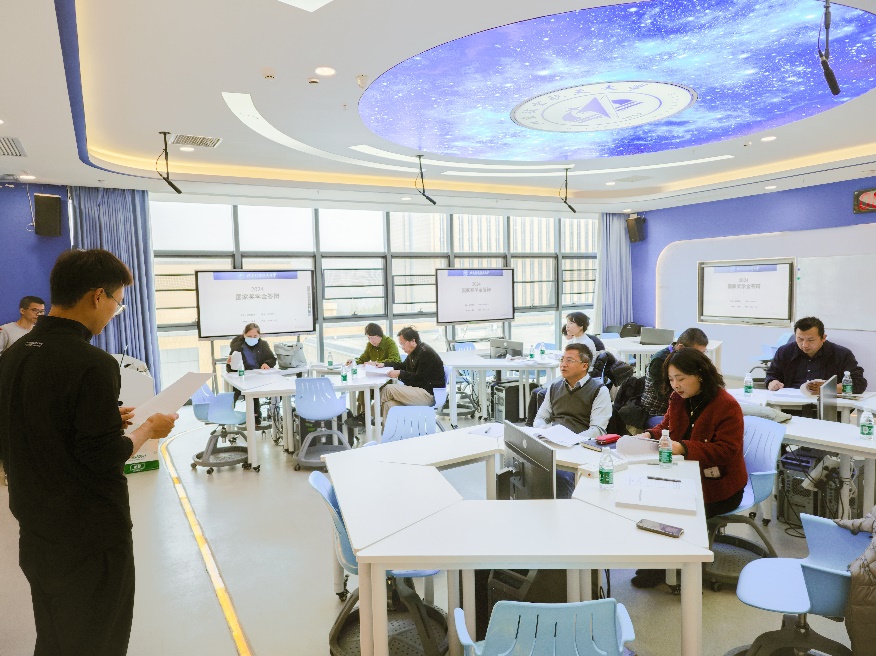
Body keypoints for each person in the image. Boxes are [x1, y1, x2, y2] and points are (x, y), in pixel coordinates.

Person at [0, 248, 178, 655]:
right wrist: (148, 428)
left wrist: (104, 419)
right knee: (98, 640)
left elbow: (35, 425)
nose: (115, 312)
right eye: (117, 302)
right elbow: (102, 456)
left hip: (37, 529)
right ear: (98, 296)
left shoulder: (14, 355)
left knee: (54, 637)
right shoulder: (92, 363)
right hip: (90, 536)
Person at [634, 348, 747, 589]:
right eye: (671, 379)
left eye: (681, 378)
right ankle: (659, 560)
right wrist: (649, 435)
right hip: (684, 479)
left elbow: (726, 450)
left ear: (700, 375)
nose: (675, 385)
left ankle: (669, 565)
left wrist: (683, 448)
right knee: (648, 498)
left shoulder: (727, 405)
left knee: (671, 508)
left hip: (719, 487)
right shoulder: (677, 399)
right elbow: (666, 427)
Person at [534, 343, 612, 499]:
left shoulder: (599, 390)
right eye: (562, 360)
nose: (563, 364)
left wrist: (571, 440)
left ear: (584, 366)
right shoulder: (554, 387)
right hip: (552, 443)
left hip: (579, 447)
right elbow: (540, 418)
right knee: (523, 466)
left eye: (569, 360)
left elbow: (598, 429)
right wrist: (545, 432)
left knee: (560, 476)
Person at [765, 316, 866, 395]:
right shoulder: (784, 352)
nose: (805, 345)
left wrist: (828, 388)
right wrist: (772, 382)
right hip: (789, 405)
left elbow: (859, 384)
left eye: (811, 340)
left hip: (827, 406)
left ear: (823, 338)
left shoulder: (842, 354)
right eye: (800, 339)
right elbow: (771, 375)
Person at [641, 327, 710, 424]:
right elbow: (664, 393)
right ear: (681, 347)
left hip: (683, 406)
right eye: (696, 353)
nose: (700, 357)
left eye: (702, 353)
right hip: (658, 411)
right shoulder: (660, 360)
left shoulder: (690, 359)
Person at [378, 327, 445, 424]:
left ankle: (367, 416)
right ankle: (388, 433)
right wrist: (384, 364)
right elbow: (402, 366)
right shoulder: (414, 352)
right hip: (419, 392)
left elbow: (419, 378)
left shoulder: (425, 353)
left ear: (413, 341)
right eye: (401, 345)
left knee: (388, 389)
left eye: (403, 344)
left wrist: (400, 373)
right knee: (388, 405)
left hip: (428, 395)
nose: (402, 348)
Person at [345, 323, 400, 421]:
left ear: (379, 335)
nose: (371, 341)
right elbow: (363, 358)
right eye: (369, 338)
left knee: (371, 387)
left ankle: (368, 415)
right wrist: (354, 361)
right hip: (374, 376)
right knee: (364, 387)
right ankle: (363, 416)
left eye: (373, 338)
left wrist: (377, 363)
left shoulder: (389, 343)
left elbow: (395, 360)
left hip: (387, 377)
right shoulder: (370, 345)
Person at [226, 323, 277, 426]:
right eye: (249, 336)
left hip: (258, 376)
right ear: (244, 335)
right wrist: (229, 363)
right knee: (234, 392)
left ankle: (255, 418)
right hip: (242, 376)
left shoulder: (263, 345)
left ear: (259, 335)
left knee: (254, 391)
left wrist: (266, 364)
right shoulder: (237, 346)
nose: (252, 338)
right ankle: (228, 417)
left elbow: (272, 359)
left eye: (255, 336)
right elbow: (230, 369)